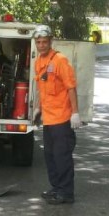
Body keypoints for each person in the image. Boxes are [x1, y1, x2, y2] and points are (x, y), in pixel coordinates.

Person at [32, 25, 81, 205]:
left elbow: (71, 87)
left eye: (45, 42)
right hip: (49, 119)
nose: (42, 45)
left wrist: (75, 113)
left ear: (51, 41)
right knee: (50, 156)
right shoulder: (39, 62)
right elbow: (41, 88)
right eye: (38, 42)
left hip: (62, 119)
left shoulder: (60, 60)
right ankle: (56, 188)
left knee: (62, 157)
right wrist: (38, 108)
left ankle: (67, 193)